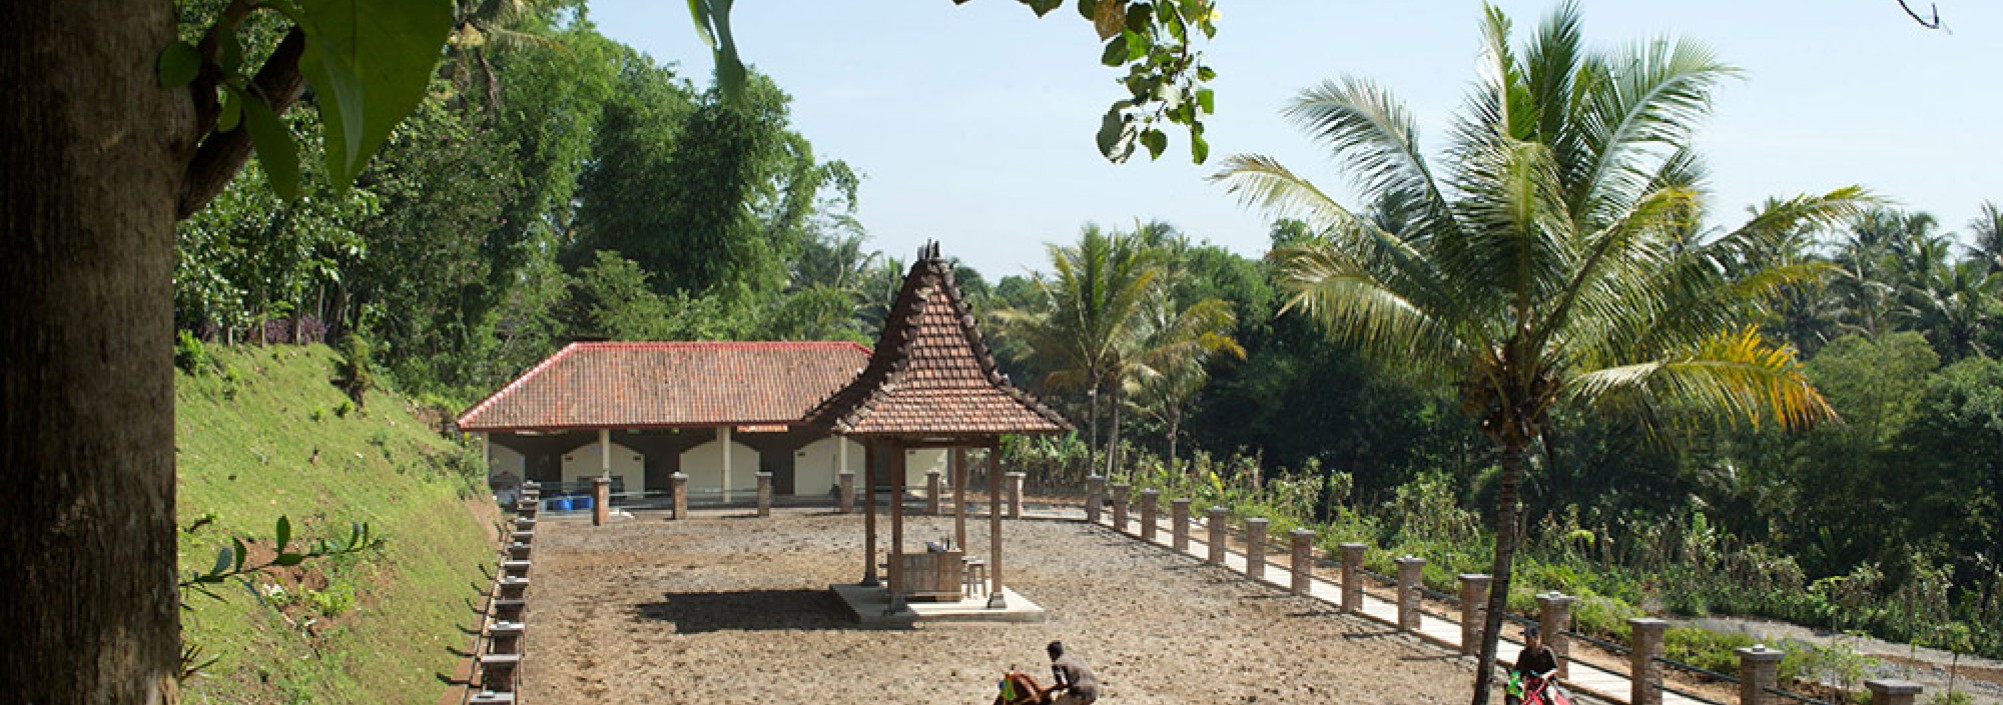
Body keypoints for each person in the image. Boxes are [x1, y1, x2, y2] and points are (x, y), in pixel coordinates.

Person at [1507, 624, 1560, 705]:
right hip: (1530, 683)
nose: (1526, 640)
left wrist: (1545, 675)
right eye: (1525, 637)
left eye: (1528, 638)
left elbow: (1555, 668)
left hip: (1547, 683)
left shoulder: (1547, 652)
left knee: (1550, 698)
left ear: (1536, 637)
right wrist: (1513, 679)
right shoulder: (1524, 653)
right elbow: (1518, 669)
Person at [1046, 640, 1100, 705]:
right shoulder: (1074, 659)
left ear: (1052, 654)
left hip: (1079, 693)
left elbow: (1062, 684)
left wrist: (1049, 691)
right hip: (1093, 692)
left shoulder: (1057, 664)